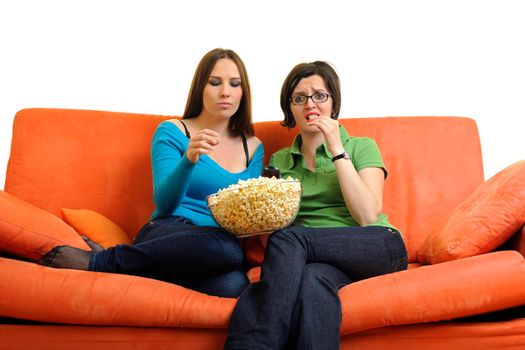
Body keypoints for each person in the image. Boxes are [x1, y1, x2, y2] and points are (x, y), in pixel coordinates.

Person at [37, 48, 264, 298]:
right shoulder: (173, 131)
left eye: (235, 84)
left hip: (212, 250)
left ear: (244, 92)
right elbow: (165, 204)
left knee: (233, 286)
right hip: (170, 230)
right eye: (214, 83)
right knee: (227, 251)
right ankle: (100, 263)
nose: (225, 92)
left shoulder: (252, 147)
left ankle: (138, 266)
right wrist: (189, 159)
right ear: (201, 88)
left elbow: (247, 218)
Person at [224, 61, 407, 349]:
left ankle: (257, 343)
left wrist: (337, 150)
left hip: (377, 246)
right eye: (299, 98)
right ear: (291, 108)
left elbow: (367, 215)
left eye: (319, 95)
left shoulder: (361, 146)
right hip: (314, 262)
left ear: (333, 102)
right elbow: (273, 234)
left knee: (292, 238)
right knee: (312, 283)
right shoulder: (280, 161)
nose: (310, 104)